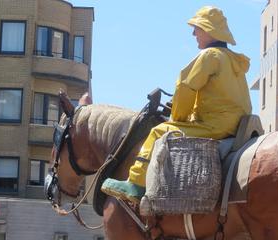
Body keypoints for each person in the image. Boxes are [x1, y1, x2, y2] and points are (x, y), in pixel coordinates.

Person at [101, 6, 252, 203]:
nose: (193, 33)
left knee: (159, 131)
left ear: (208, 29)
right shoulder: (232, 60)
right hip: (238, 126)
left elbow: (186, 87)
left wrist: (177, 118)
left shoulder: (209, 56)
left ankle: (136, 184)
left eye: (196, 28)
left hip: (217, 126)